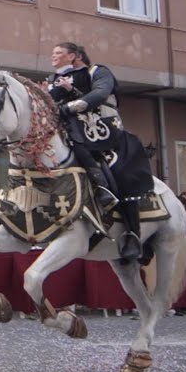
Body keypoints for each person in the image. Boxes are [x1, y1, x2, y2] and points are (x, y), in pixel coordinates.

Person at [46, 42, 154, 263]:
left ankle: (133, 233)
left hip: (102, 129)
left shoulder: (99, 71)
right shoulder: (55, 78)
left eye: (58, 53)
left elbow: (99, 93)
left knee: (121, 171)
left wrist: (71, 104)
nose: (53, 57)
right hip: (72, 130)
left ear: (74, 56)